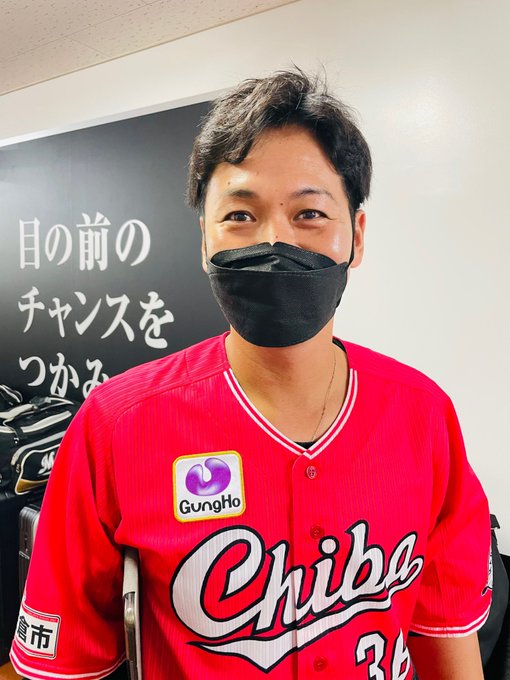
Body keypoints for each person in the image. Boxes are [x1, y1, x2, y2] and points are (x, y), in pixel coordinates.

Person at [10, 69, 492, 680]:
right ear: (203, 241)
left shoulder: (423, 415)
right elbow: (65, 662)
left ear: (356, 236)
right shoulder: (116, 426)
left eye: (310, 213)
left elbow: (447, 638)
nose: (274, 242)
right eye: (240, 214)